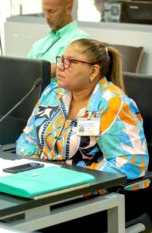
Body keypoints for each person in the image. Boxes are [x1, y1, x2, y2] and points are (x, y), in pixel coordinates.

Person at [17, 38, 149, 231]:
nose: (60, 66)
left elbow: (131, 164)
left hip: (99, 197)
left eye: (71, 61)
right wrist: (40, 173)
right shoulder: (53, 92)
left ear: (93, 71)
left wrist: (72, 181)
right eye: (61, 59)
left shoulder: (112, 103)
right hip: (46, 188)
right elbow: (27, 139)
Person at [27, 0, 89, 79]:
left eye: (51, 11)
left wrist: (55, 68)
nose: (47, 17)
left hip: (61, 93)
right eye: (45, 11)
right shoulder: (39, 44)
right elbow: (24, 68)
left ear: (68, 9)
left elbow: (71, 68)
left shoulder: (80, 39)